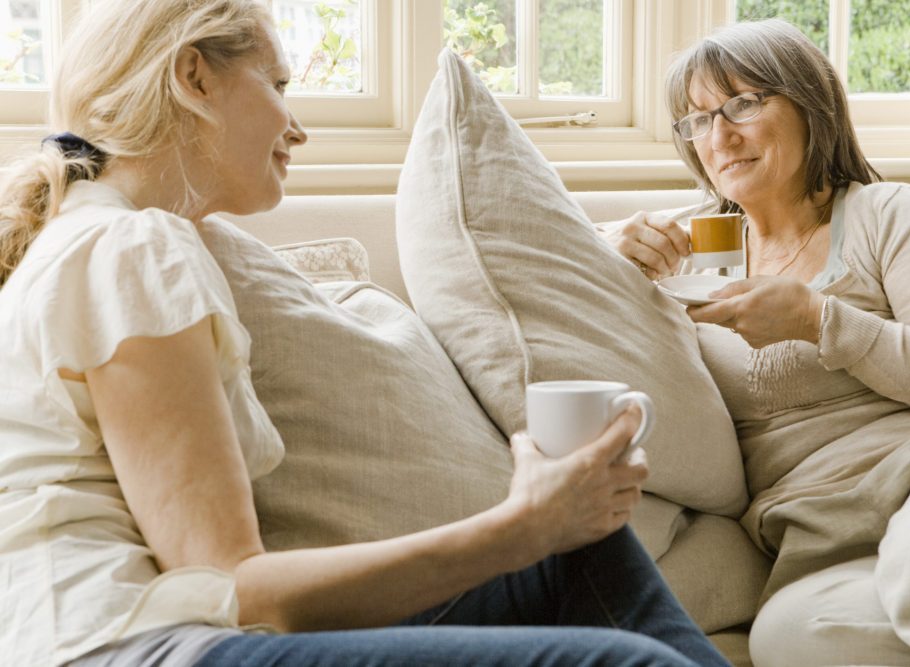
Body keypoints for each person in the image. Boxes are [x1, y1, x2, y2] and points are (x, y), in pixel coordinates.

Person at [0, 1, 730, 666]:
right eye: (278, 85)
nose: (297, 125)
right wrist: (523, 524)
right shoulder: (131, 248)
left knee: (581, 550)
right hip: (118, 648)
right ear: (194, 76)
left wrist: (551, 528)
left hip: (165, 637)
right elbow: (232, 584)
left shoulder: (105, 239)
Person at [603, 17, 910, 667]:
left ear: (811, 104)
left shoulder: (887, 213)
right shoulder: (692, 247)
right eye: (698, 120)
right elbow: (540, 256)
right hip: (817, 529)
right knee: (794, 636)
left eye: (744, 103)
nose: (720, 135)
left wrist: (821, 319)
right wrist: (609, 257)